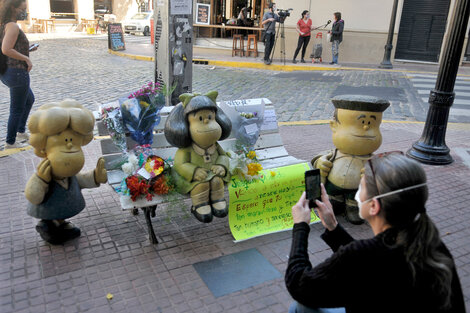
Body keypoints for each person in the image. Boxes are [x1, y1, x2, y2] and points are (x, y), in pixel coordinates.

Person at [286, 152, 465, 313]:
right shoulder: (430, 243)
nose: (357, 194)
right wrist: (333, 227)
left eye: (361, 188)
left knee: (300, 306)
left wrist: (300, 226)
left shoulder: (362, 255)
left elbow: (298, 284)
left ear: (374, 206)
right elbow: (369, 262)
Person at [0, 0, 36, 149]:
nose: (25, 11)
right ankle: (10, 142)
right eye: (23, 8)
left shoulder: (5, 25)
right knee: (16, 109)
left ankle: (21, 131)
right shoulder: (13, 26)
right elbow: (6, 49)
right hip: (17, 73)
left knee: (29, 99)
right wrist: (26, 58)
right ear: (14, 8)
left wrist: (28, 50)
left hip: (9, 71)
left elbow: (10, 47)